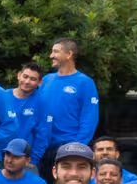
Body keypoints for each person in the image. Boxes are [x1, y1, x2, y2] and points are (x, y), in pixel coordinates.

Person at [31, 37, 101, 170]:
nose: (51, 55)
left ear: (69, 54)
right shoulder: (46, 80)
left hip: (68, 147)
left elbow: (89, 118)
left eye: (56, 52)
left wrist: (77, 147)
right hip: (42, 147)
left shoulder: (84, 82)